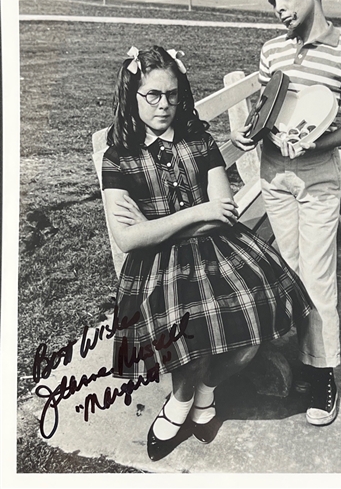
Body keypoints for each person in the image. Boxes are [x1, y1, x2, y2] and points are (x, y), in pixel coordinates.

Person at [101, 44, 312, 461]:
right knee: (192, 326)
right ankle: (181, 407)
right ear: (132, 95)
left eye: (173, 94)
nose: (164, 105)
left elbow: (225, 215)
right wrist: (198, 212)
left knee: (255, 324)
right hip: (157, 267)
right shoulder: (120, 157)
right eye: (153, 95)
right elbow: (128, 239)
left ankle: (204, 394)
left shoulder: (198, 142)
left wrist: (157, 225)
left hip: (218, 250)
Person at [231, 0, 341, 427]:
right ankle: (291, 360)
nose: (279, 8)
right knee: (286, 273)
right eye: (271, 2)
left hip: (317, 182)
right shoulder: (272, 51)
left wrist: (313, 142)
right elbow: (263, 115)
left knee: (318, 276)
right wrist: (246, 131)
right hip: (273, 178)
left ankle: (323, 374)